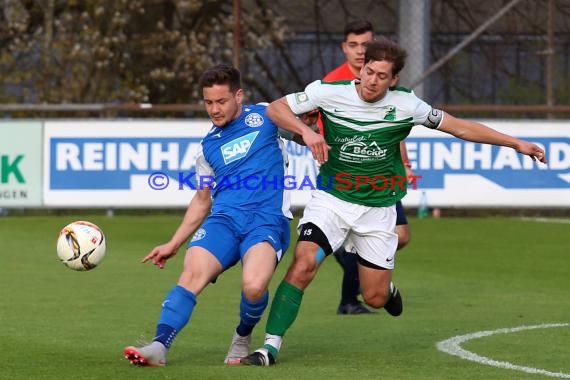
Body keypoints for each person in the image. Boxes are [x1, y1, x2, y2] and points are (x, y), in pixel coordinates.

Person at [241, 37, 547, 366]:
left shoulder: (407, 105)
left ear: (394, 80)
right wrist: (309, 132)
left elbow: (459, 128)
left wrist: (516, 143)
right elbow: (276, 108)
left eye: (381, 76)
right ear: (361, 68)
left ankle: (387, 292)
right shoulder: (329, 92)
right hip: (331, 200)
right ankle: (269, 347)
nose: (372, 80)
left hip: (377, 210)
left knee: (373, 296)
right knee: (304, 264)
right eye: (369, 71)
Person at [122, 64, 325, 367]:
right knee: (191, 275)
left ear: (238, 96)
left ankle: (243, 334)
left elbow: (302, 135)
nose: (214, 109)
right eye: (208, 102)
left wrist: (308, 130)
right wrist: (174, 243)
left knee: (254, 287)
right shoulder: (206, 148)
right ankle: (159, 346)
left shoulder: (267, 115)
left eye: (221, 101)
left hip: (266, 221)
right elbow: (202, 201)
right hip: (224, 221)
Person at [323, 19, 413, 315]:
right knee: (357, 241)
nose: (361, 51)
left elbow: (392, 126)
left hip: (383, 175)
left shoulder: (385, 81)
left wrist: (405, 161)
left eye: (366, 45)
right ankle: (349, 300)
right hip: (347, 179)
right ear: (344, 48)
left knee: (401, 236)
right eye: (354, 45)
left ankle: (371, 280)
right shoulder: (333, 84)